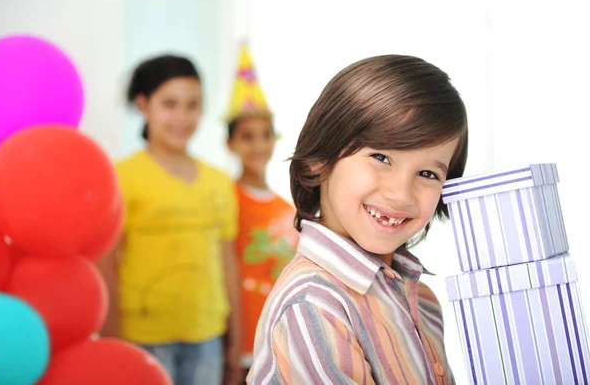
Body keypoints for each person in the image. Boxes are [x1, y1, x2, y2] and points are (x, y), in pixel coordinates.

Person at [248, 55, 468, 384]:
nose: (401, 193)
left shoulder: (422, 301)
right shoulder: (313, 306)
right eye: (381, 157)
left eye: (427, 173)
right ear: (320, 160)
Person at [97, 55, 242, 385]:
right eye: (170, 104)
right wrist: (113, 340)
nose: (182, 116)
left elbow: (227, 263)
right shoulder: (121, 177)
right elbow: (106, 264)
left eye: (193, 105)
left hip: (207, 337)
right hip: (142, 338)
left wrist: (235, 344)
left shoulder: (218, 182)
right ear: (143, 105)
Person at [224, 45, 299, 379]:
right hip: (238, 341)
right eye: (247, 137)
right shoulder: (226, 198)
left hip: (278, 340)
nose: (258, 145)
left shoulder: (288, 210)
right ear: (231, 144)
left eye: (265, 136)